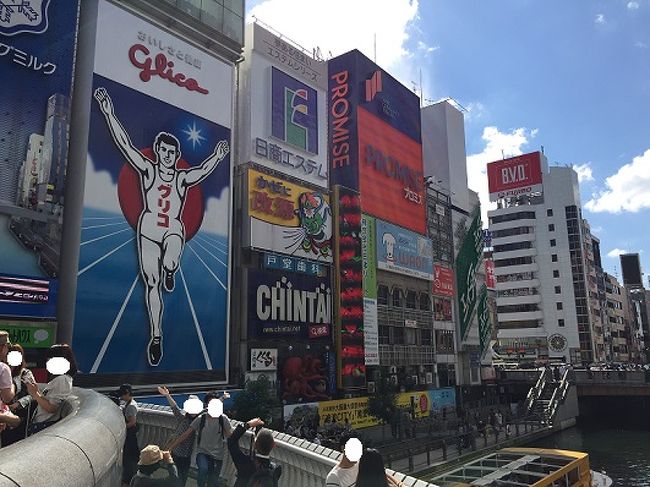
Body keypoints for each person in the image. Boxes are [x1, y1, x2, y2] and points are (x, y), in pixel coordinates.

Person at [94, 87, 230, 366]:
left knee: (171, 254)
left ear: (176, 154)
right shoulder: (148, 169)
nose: (167, 155)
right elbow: (125, 145)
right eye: (163, 150)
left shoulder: (181, 178)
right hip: (147, 230)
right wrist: (108, 113)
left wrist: (217, 156)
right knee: (151, 284)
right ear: (157, 151)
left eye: (171, 151)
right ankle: (156, 336)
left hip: (172, 230)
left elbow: (202, 171)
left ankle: (172, 269)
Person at [167, 391, 232, 487]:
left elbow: (212, 406)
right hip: (180, 452)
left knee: (187, 478)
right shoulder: (187, 418)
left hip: (188, 455)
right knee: (197, 471)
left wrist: (223, 397)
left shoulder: (218, 418)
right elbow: (175, 408)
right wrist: (170, 448)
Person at [22, 343, 77, 436]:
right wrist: (35, 391)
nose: (47, 362)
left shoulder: (62, 380)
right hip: (40, 424)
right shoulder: (59, 379)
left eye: (50, 359)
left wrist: (35, 394)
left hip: (43, 426)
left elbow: (51, 407)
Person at [158, 385, 200, 487]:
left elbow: (184, 436)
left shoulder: (198, 420)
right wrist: (167, 395)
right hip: (177, 453)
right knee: (176, 477)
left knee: (180, 477)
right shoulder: (184, 418)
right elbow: (175, 408)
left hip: (184, 454)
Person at [227, 417, 281, 487]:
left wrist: (247, 425)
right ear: (273, 445)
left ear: (254, 444)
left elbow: (231, 441)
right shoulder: (276, 469)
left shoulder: (244, 463)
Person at [2, 344, 35, 445]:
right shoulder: (3, 370)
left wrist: (19, 404)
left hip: (20, 416)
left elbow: (34, 395)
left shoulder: (25, 373)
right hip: (3, 412)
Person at [120, 384, 140, 487]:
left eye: (123, 395)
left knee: (129, 461)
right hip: (131, 436)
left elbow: (132, 422)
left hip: (130, 437)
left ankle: (127, 482)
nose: (121, 397)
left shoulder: (131, 406)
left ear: (127, 393)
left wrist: (121, 427)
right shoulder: (129, 403)